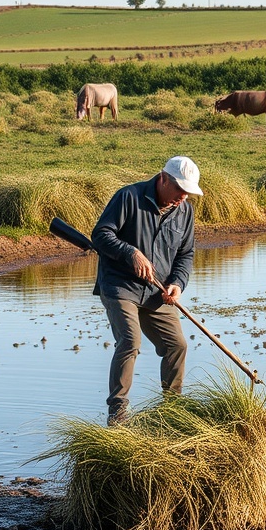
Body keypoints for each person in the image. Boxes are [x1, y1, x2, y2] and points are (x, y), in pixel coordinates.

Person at [91, 156, 203, 426]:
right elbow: (101, 235)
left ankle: (172, 411)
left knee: (177, 345)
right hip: (120, 286)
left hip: (158, 291)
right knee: (131, 341)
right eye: (179, 190)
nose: (183, 197)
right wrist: (131, 253)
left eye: (188, 192)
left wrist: (177, 283)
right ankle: (118, 414)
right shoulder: (128, 197)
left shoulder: (185, 211)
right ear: (163, 178)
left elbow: (185, 255)